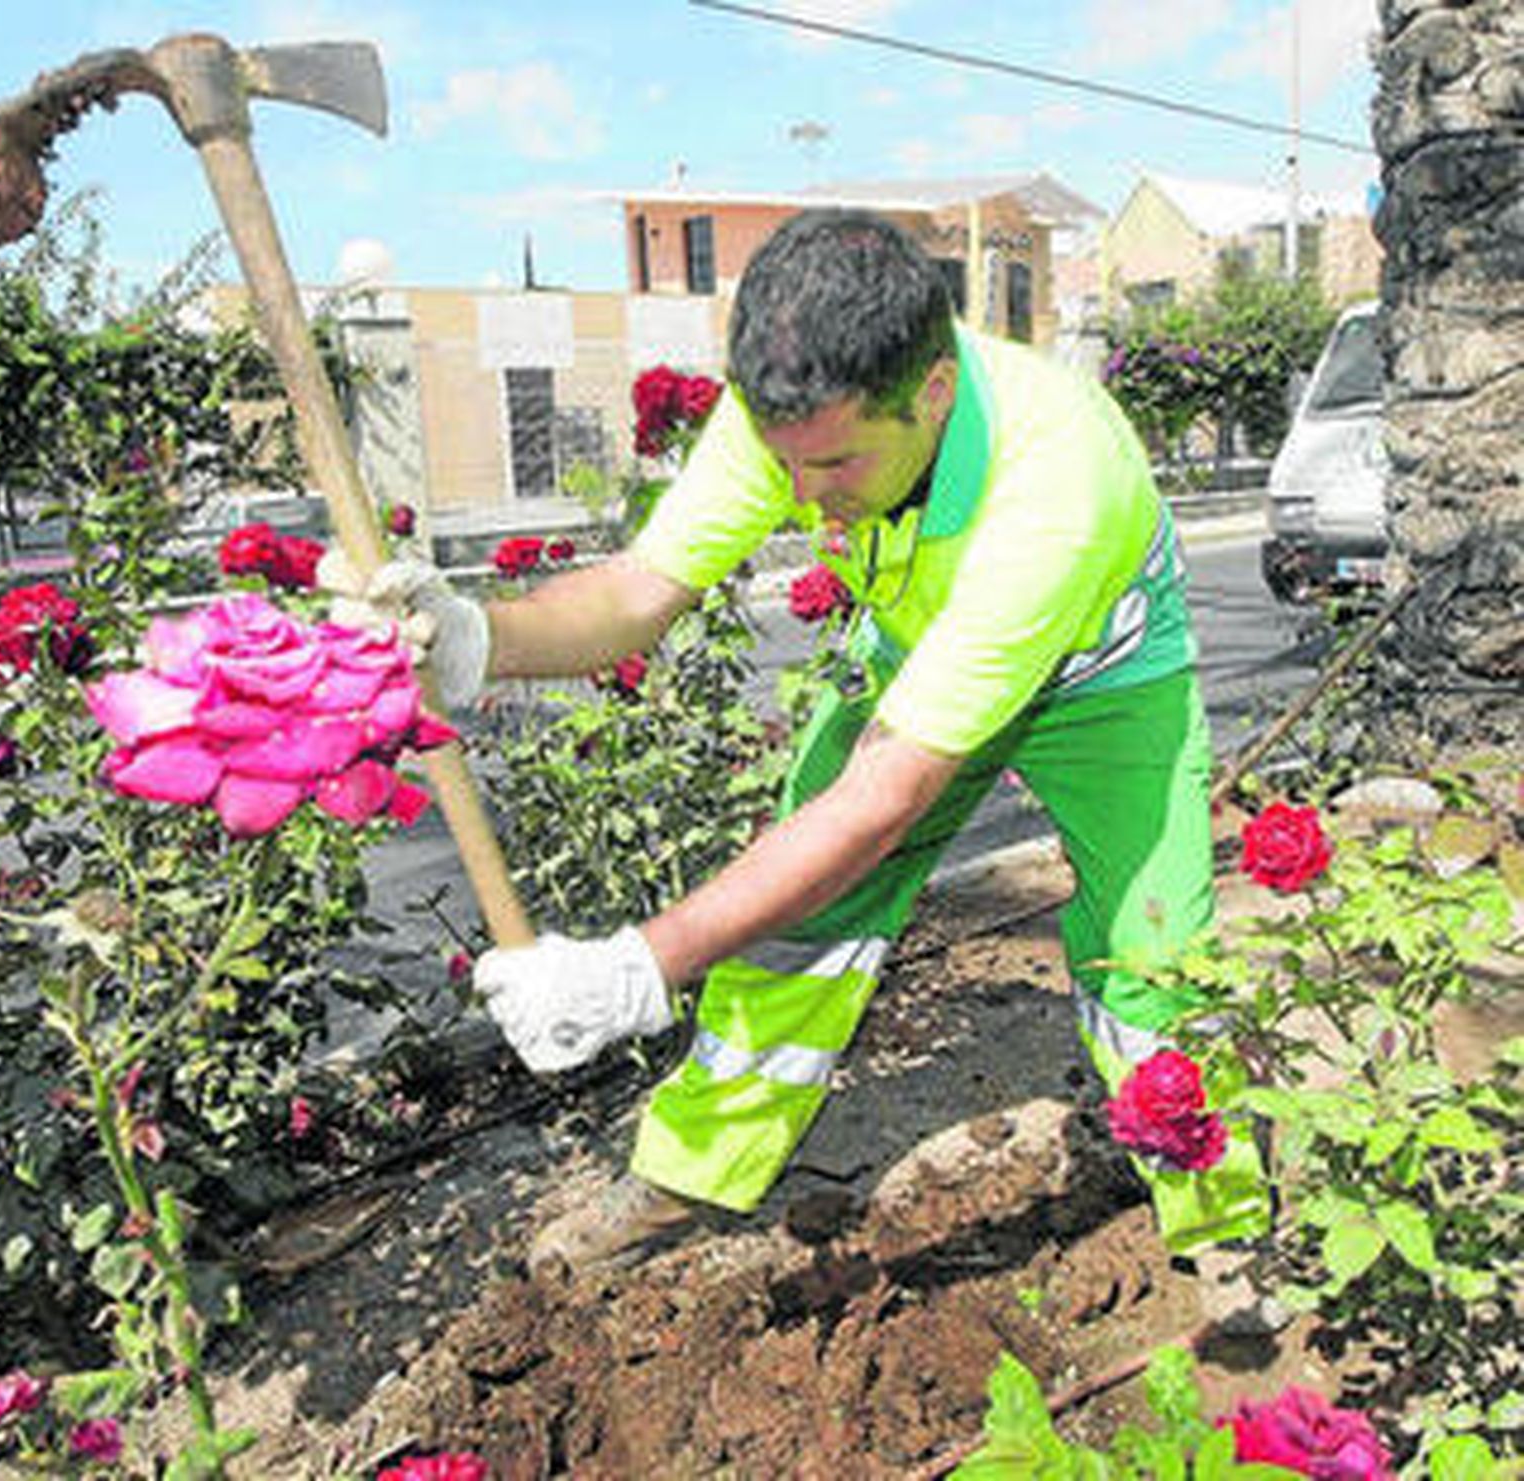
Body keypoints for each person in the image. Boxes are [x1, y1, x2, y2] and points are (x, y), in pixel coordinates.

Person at [330, 209, 1268, 1272]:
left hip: (1107, 683)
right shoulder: (793, 410)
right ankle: (686, 1176)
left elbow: (884, 795)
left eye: (835, 465)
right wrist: (475, 635)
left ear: (934, 391)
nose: (808, 501)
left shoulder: (1055, 483)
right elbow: (642, 591)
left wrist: (637, 967)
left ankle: (1219, 1221)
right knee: (794, 917)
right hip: (926, 658)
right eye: (787, 465)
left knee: (1153, 950)